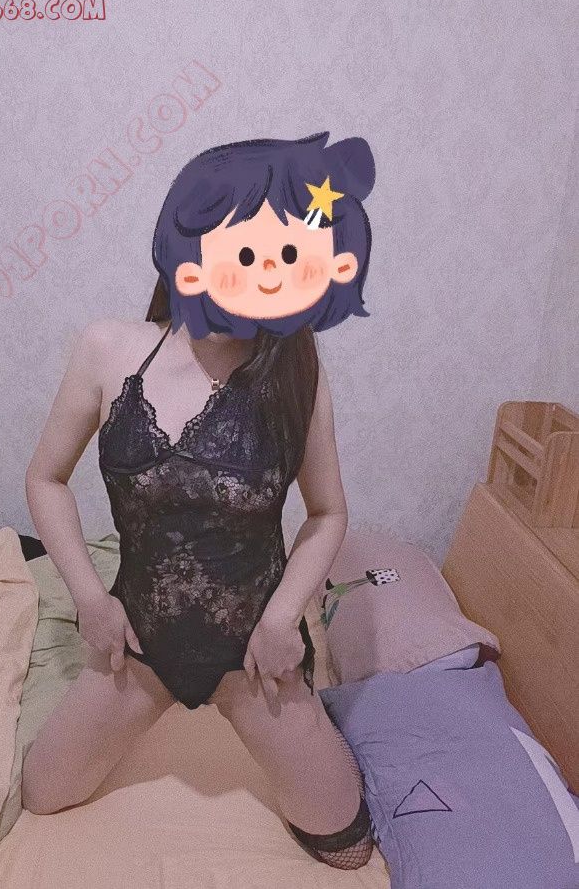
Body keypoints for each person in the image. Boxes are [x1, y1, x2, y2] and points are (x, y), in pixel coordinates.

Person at [22, 133, 376, 870]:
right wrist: (89, 601)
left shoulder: (298, 372)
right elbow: (45, 479)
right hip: (139, 638)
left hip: (252, 651)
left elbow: (328, 512)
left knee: (345, 845)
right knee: (42, 794)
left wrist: (283, 621)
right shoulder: (108, 348)